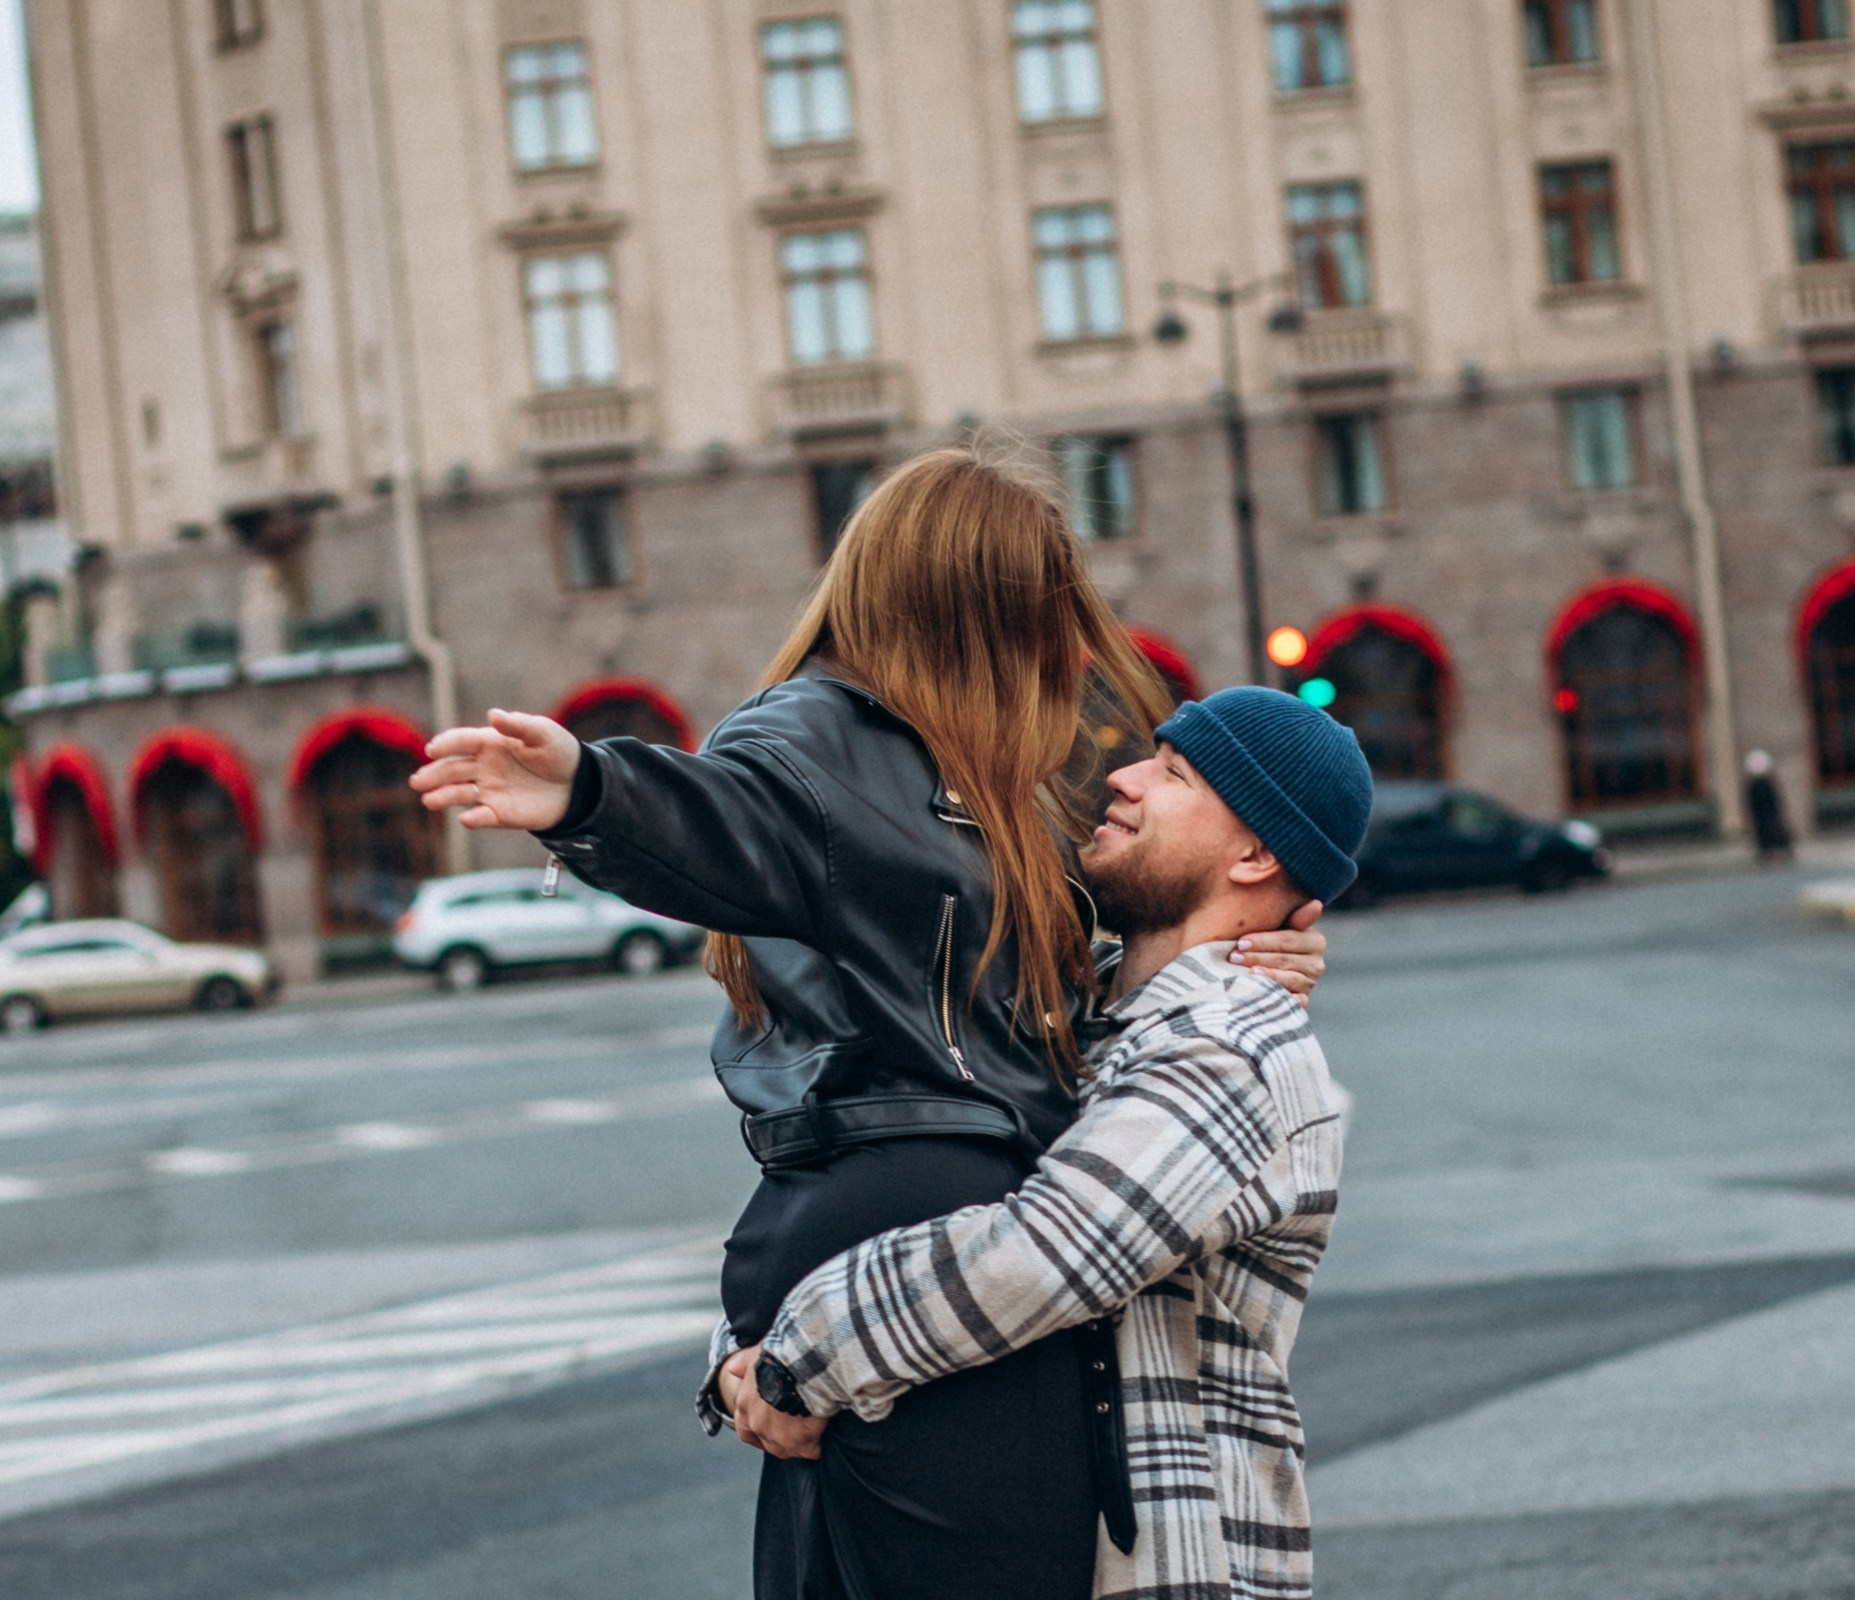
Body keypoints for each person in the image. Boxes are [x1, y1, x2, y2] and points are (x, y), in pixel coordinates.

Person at [408, 448, 1326, 1600]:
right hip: (912, 1265)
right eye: (1056, 615)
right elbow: (734, 819)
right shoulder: (828, 743)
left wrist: (1237, 950)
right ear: (977, 611)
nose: (1081, 656)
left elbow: (1024, 982)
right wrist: (593, 794)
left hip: (856, 1263)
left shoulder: (968, 784)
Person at [719, 687, 1375, 1600]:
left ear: (1257, 853)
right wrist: (746, 1346)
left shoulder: (1235, 1047)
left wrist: (799, 1356)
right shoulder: (1080, 1016)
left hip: (1160, 1571)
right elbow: (903, 1178)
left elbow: (1049, 1251)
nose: (1124, 777)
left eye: (1174, 774)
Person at [1744, 749, 1792, 864]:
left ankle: (1777, 850)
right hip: (1762, 815)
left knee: (1773, 829)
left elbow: (1775, 801)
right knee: (1765, 830)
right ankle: (1769, 851)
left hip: (1769, 814)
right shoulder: (1756, 786)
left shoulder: (1764, 784)